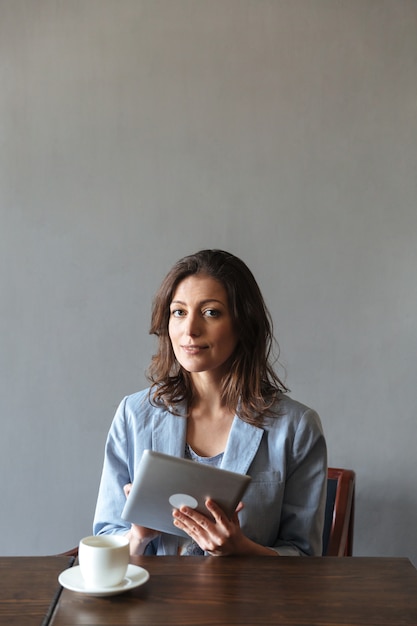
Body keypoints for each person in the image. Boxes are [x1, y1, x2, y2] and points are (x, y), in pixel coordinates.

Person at [93, 249, 327, 556]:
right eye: (179, 312)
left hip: (248, 602)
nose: (190, 330)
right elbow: (106, 534)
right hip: (153, 600)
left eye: (211, 312)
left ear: (243, 324)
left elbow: (307, 558)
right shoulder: (134, 415)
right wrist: (137, 536)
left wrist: (243, 551)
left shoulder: (297, 427)